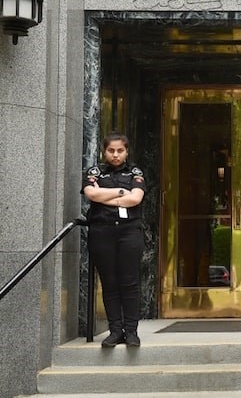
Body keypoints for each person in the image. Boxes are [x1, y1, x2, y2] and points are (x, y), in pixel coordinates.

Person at [82, 131, 146, 348]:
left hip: (129, 231)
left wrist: (106, 196)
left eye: (120, 151)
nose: (115, 155)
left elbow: (136, 198)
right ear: (104, 150)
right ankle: (115, 330)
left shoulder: (135, 171)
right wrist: (121, 192)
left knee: (129, 282)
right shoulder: (95, 171)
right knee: (109, 282)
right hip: (102, 231)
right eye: (111, 150)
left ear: (126, 152)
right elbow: (91, 194)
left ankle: (131, 332)